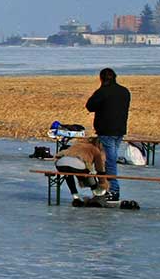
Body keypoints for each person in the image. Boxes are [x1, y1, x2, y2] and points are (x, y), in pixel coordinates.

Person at [86, 68, 131, 201]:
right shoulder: (124, 91)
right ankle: (108, 188)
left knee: (110, 161)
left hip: (106, 130)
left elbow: (90, 106)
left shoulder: (102, 92)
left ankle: (113, 190)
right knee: (112, 158)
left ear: (101, 79)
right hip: (120, 130)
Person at [56, 135, 111, 204]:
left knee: (68, 175)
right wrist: (102, 183)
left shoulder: (78, 144)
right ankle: (97, 194)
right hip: (77, 165)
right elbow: (99, 169)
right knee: (88, 174)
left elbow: (62, 153)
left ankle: (75, 196)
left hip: (60, 163)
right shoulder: (96, 150)